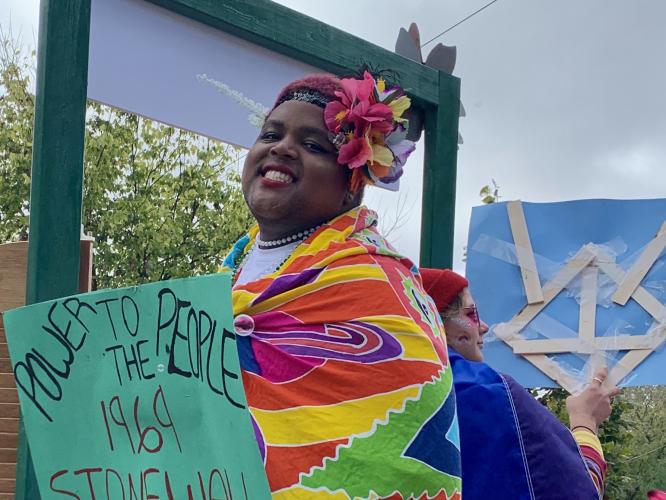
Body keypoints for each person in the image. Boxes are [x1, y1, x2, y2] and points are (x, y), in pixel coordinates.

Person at [221, 72, 462, 498]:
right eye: (270, 134)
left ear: (354, 180)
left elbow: (397, 458)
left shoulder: (377, 285)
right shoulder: (229, 273)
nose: (281, 147)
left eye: (313, 145)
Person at [420, 267, 620, 499]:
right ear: (440, 324)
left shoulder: (380, 396)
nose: (483, 327)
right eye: (471, 314)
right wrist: (585, 420)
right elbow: (579, 489)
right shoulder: (491, 397)